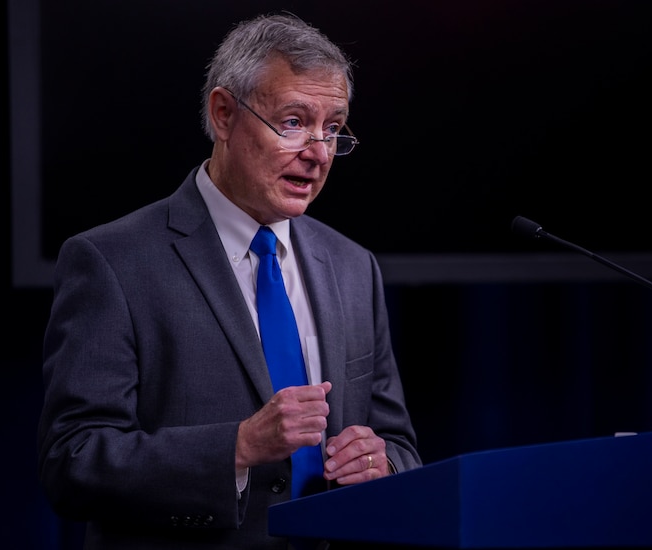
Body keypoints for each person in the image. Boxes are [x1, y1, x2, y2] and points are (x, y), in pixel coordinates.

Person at [36, 12, 421, 549]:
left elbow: (399, 443)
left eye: (332, 128)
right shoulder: (111, 261)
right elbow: (71, 462)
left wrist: (384, 465)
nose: (317, 153)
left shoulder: (353, 265)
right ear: (223, 114)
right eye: (293, 122)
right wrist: (235, 447)